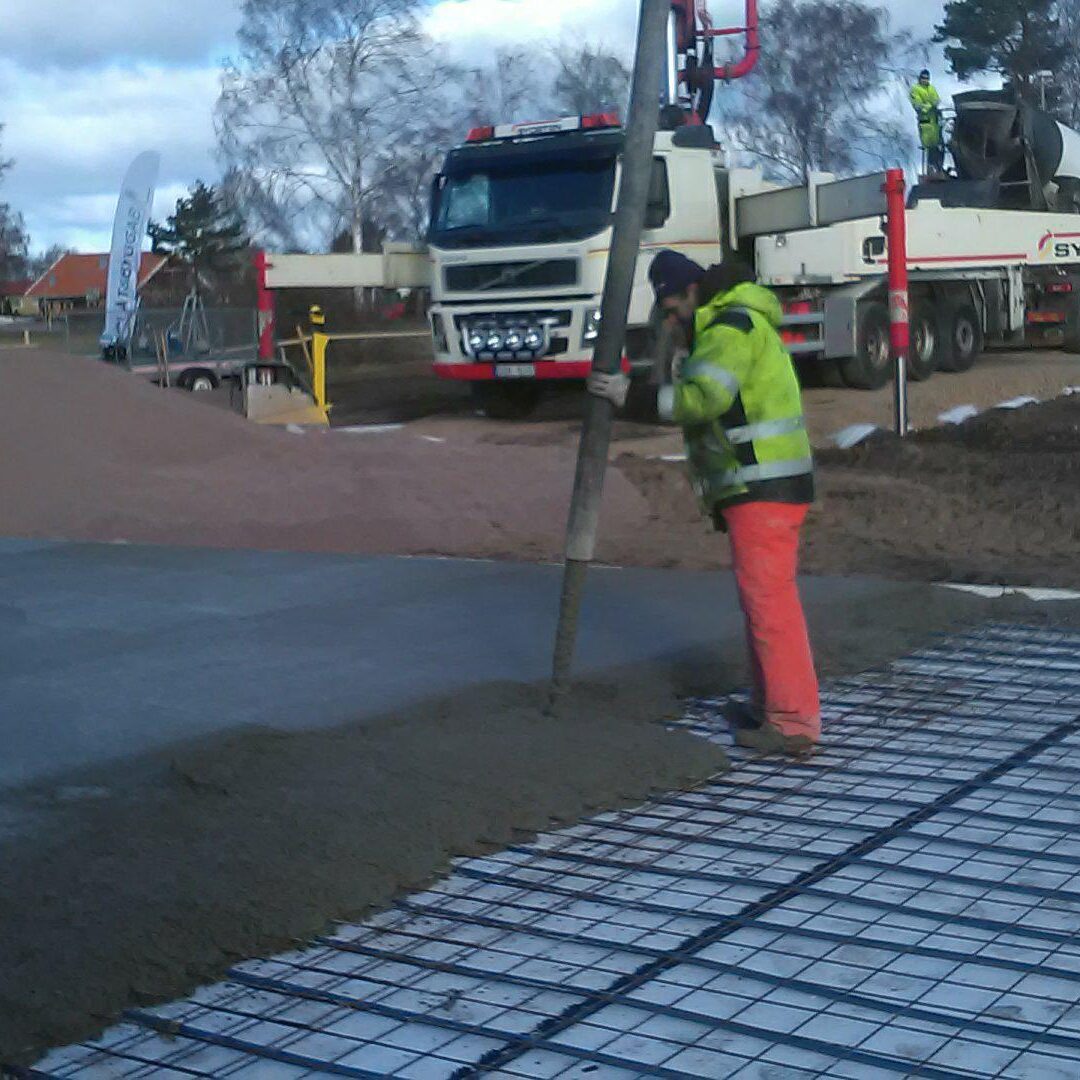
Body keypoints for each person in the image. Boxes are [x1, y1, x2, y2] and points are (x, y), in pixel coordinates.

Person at [587, 250, 819, 757]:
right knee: (762, 601)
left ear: (690, 290)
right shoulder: (730, 320)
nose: (670, 317)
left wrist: (635, 398)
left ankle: (793, 723)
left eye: (670, 304)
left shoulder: (728, 325)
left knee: (769, 602)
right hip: (759, 485)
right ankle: (772, 708)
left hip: (763, 485)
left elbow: (704, 398)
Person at [910, 69, 945, 174]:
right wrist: (929, 106)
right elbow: (917, 105)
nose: (925, 80)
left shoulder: (931, 88)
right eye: (923, 78)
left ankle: (939, 167)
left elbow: (937, 100)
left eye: (927, 78)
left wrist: (933, 105)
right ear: (920, 78)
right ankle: (931, 168)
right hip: (925, 122)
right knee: (929, 146)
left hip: (935, 122)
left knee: (940, 145)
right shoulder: (915, 89)